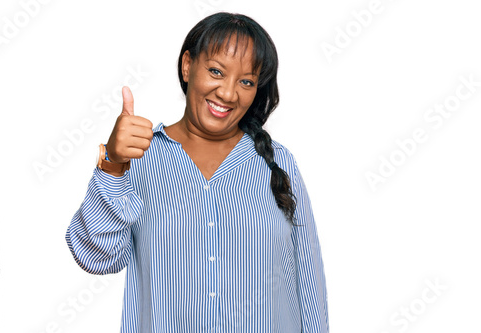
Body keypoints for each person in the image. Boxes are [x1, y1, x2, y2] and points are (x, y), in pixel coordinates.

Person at [66, 12, 329, 333]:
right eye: (216, 71)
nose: (229, 93)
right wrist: (113, 164)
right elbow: (96, 257)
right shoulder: (139, 159)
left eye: (246, 81)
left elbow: (309, 279)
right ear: (187, 65)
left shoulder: (279, 163)